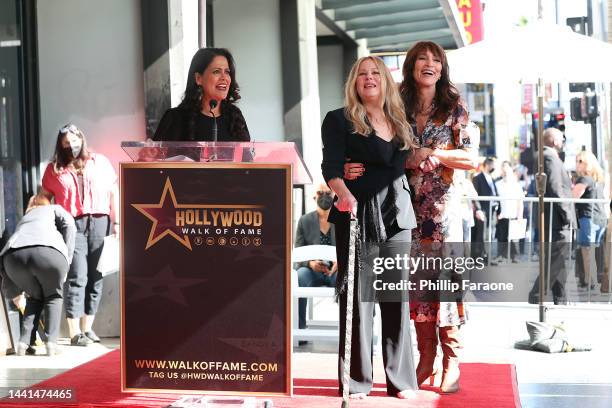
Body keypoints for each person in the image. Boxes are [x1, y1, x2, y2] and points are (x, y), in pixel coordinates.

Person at [322, 56, 418, 399]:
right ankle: (356, 381)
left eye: (375, 72)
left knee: (396, 299)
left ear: (386, 81)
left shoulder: (400, 119)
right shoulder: (339, 120)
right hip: (357, 215)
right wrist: (345, 196)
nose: (369, 77)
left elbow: (409, 160)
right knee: (358, 301)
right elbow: (331, 168)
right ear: (354, 82)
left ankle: (401, 381)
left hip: (398, 216)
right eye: (362, 73)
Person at [399, 41, 477, 394]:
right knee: (417, 287)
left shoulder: (454, 108)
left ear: (442, 69)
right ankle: (425, 357)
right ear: (411, 67)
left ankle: (451, 361)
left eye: (435, 60)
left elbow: (471, 158)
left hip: (443, 213)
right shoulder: (396, 105)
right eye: (421, 59)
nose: (428, 64)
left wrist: (434, 153)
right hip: (405, 212)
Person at [41, 124, 118, 346]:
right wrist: (47, 220)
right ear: (60, 145)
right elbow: (44, 197)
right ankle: (75, 332)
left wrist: (118, 222)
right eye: (66, 143)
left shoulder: (100, 161)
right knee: (77, 276)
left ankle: (88, 328)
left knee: (97, 275)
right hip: (71, 224)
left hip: (100, 221)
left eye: (74, 141)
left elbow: (114, 191)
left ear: (81, 140)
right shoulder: (54, 169)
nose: (71, 146)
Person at [0, 193, 76, 356]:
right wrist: (67, 257)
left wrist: (13, 292)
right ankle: (51, 343)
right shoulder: (53, 208)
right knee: (54, 296)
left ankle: (23, 343)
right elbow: (70, 223)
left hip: (13, 257)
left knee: (35, 297)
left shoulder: (25, 219)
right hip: (48, 254)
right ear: (46, 203)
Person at [153, 48, 250, 142]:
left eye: (227, 72)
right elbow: (153, 156)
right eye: (216, 71)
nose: (224, 77)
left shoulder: (235, 116)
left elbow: (247, 157)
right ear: (198, 78)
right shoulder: (175, 118)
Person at [528, 127, 576, 305]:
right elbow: (555, 189)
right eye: (561, 139)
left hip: (555, 219)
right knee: (555, 260)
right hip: (557, 219)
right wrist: (567, 215)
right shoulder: (549, 156)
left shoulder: (547, 156)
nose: (563, 142)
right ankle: (536, 295)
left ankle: (560, 297)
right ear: (554, 141)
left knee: (560, 260)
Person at [294, 183, 337, 331]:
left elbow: (351, 248)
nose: (324, 196)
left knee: (350, 278)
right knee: (299, 277)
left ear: (334, 196)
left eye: (328, 193)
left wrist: (340, 262)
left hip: (337, 270)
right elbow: (298, 252)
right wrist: (311, 263)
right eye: (320, 193)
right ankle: (299, 327)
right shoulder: (304, 221)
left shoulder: (342, 219)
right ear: (314, 197)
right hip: (311, 270)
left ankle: (349, 330)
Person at [572, 150, 606, 290]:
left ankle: (590, 282)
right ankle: (591, 280)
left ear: (588, 164)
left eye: (580, 161)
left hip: (588, 218)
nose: (577, 164)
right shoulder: (598, 180)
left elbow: (573, 196)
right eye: (576, 160)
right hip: (600, 218)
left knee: (587, 252)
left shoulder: (585, 178)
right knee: (591, 251)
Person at [494, 161, 524, 263]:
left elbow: (520, 201)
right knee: (501, 237)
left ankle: (515, 256)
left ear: (511, 169)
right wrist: (496, 214)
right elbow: (496, 201)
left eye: (506, 167)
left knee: (514, 238)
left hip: (514, 215)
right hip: (502, 215)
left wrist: (520, 215)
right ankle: (501, 256)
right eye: (503, 167)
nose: (505, 170)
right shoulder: (498, 184)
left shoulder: (516, 185)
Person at [471, 157, 499, 262]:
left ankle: (487, 256)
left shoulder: (492, 179)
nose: (494, 167)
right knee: (481, 235)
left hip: (492, 211)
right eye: (493, 165)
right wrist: (478, 210)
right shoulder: (478, 178)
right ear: (487, 165)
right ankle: (478, 257)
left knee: (489, 235)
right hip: (482, 211)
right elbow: (475, 195)